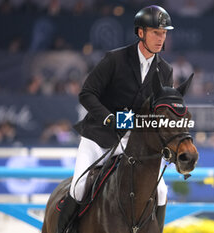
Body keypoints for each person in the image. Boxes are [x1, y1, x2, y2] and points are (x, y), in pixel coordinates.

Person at [57, 5, 174, 233]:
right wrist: (109, 118)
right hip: (100, 137)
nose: (161, 39)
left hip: (135, 145)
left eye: (164, 33)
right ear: (141, 33)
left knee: (161, 191)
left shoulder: (165, 70)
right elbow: (86, 94)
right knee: (79, 188)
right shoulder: (115, 59)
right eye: (155, 33)